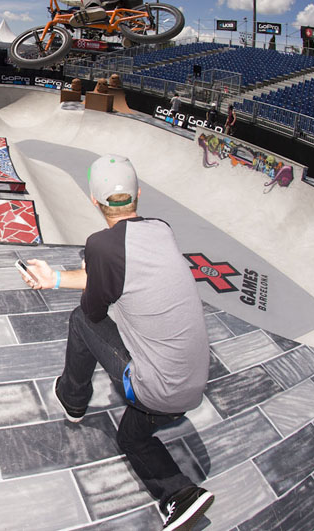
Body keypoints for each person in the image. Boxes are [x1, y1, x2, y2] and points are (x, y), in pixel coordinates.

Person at [19, 155, 213, 531]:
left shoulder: (103, 245)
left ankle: (72, 399)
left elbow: (93, 309)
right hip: (191, 389)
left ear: (94, 201)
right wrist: (54, 279)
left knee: (80, 320)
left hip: (153, 389)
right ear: (138, 194)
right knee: (132, 437)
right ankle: (180, 494)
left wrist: (63, 280)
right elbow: (109, 273)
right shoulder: (162, 229)